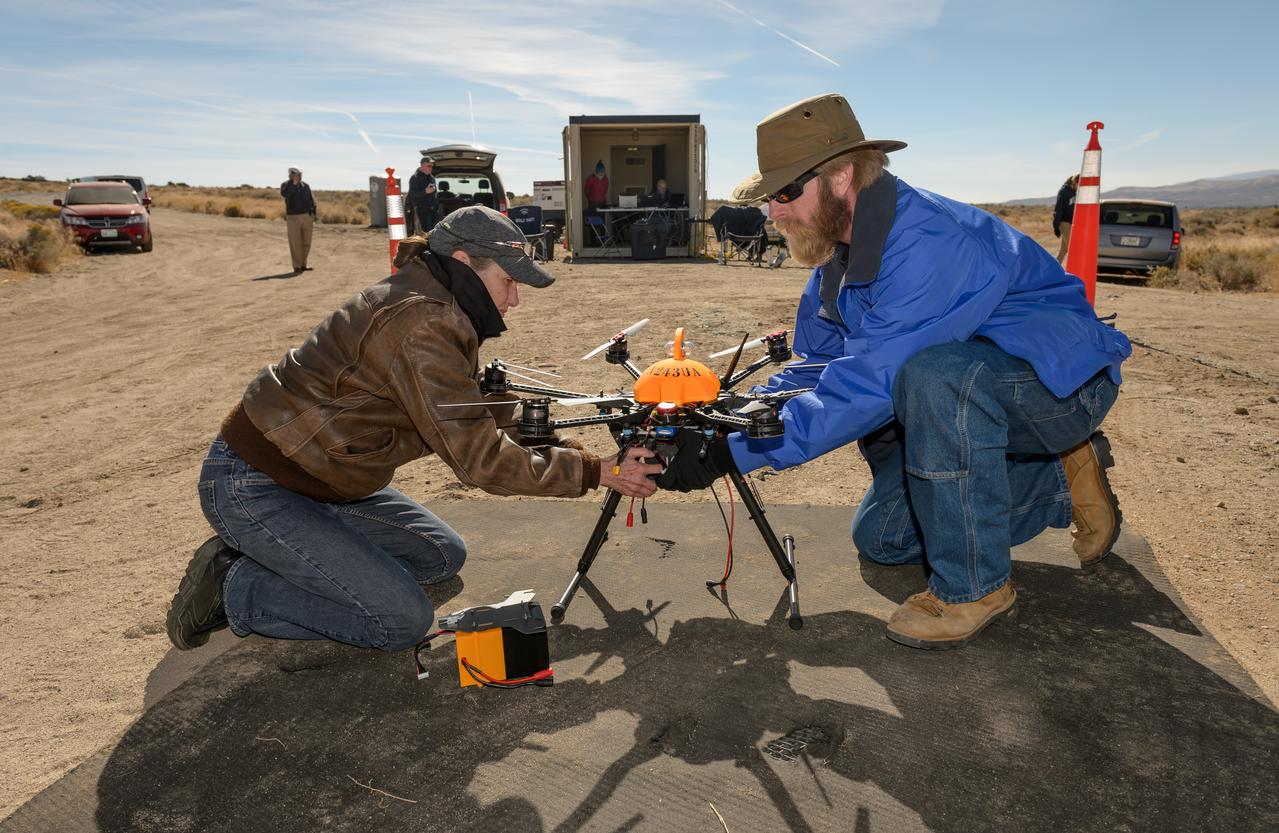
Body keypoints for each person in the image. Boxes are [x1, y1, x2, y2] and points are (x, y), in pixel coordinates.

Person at [656, 93, 1132, 650]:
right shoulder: (839, 258)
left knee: (934, 375)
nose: (773, 213)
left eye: (785, 194)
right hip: (969, 401)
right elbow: (817, 367)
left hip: (1059, 389)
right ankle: (1055, 479)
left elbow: (871, 385)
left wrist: (729, 455)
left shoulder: (929, 243)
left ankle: (975, 588)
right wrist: (733, 420)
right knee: (883, 539)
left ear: (840, 177)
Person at [166, 206, 662, 653]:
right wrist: (593, 472)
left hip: (326, 480)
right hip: (258, 482)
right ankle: (236, 584)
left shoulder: (434, 301)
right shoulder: (423, 322)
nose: (514, 299)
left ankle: (300, 555)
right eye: (508, 281)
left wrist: (573, 448)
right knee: (398, 621)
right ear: (466, 262)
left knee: (440, 555)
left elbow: (474, 413)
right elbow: (479, 460)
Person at [280, 167, 316, 273]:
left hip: (307, 217)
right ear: (290, 175)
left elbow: (311, 200)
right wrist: (293, 184)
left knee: (306, 242)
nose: (299, 176)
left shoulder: (306, 186)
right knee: (295, 242)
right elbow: (285, 194)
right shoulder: (286, 185)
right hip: (293, 217)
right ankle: (297, 265)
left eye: (300, 174)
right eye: (296, 175)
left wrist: (313, 213)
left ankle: (304, 264)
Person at [408, 155, 441, 234]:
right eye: (429, 165)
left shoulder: (431, 178)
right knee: (425, 234)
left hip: (433, 211)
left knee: (434, 233)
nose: (431, 168)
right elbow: (412, 195)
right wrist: (425, 191)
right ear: (422, 165)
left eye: (432, 166)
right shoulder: (415, 178)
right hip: (422, 212)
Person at [1053, 173, 1079, 264]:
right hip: (1064, 223)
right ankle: (1074, 270)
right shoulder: (1063, 192)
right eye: (1078, 185)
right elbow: (1058, 210)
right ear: (1074, 182)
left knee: (1063, 250)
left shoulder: (1075, 191)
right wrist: (1056, 226)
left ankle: (1054, 269)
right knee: (1072, 249)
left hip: (1071, 223)